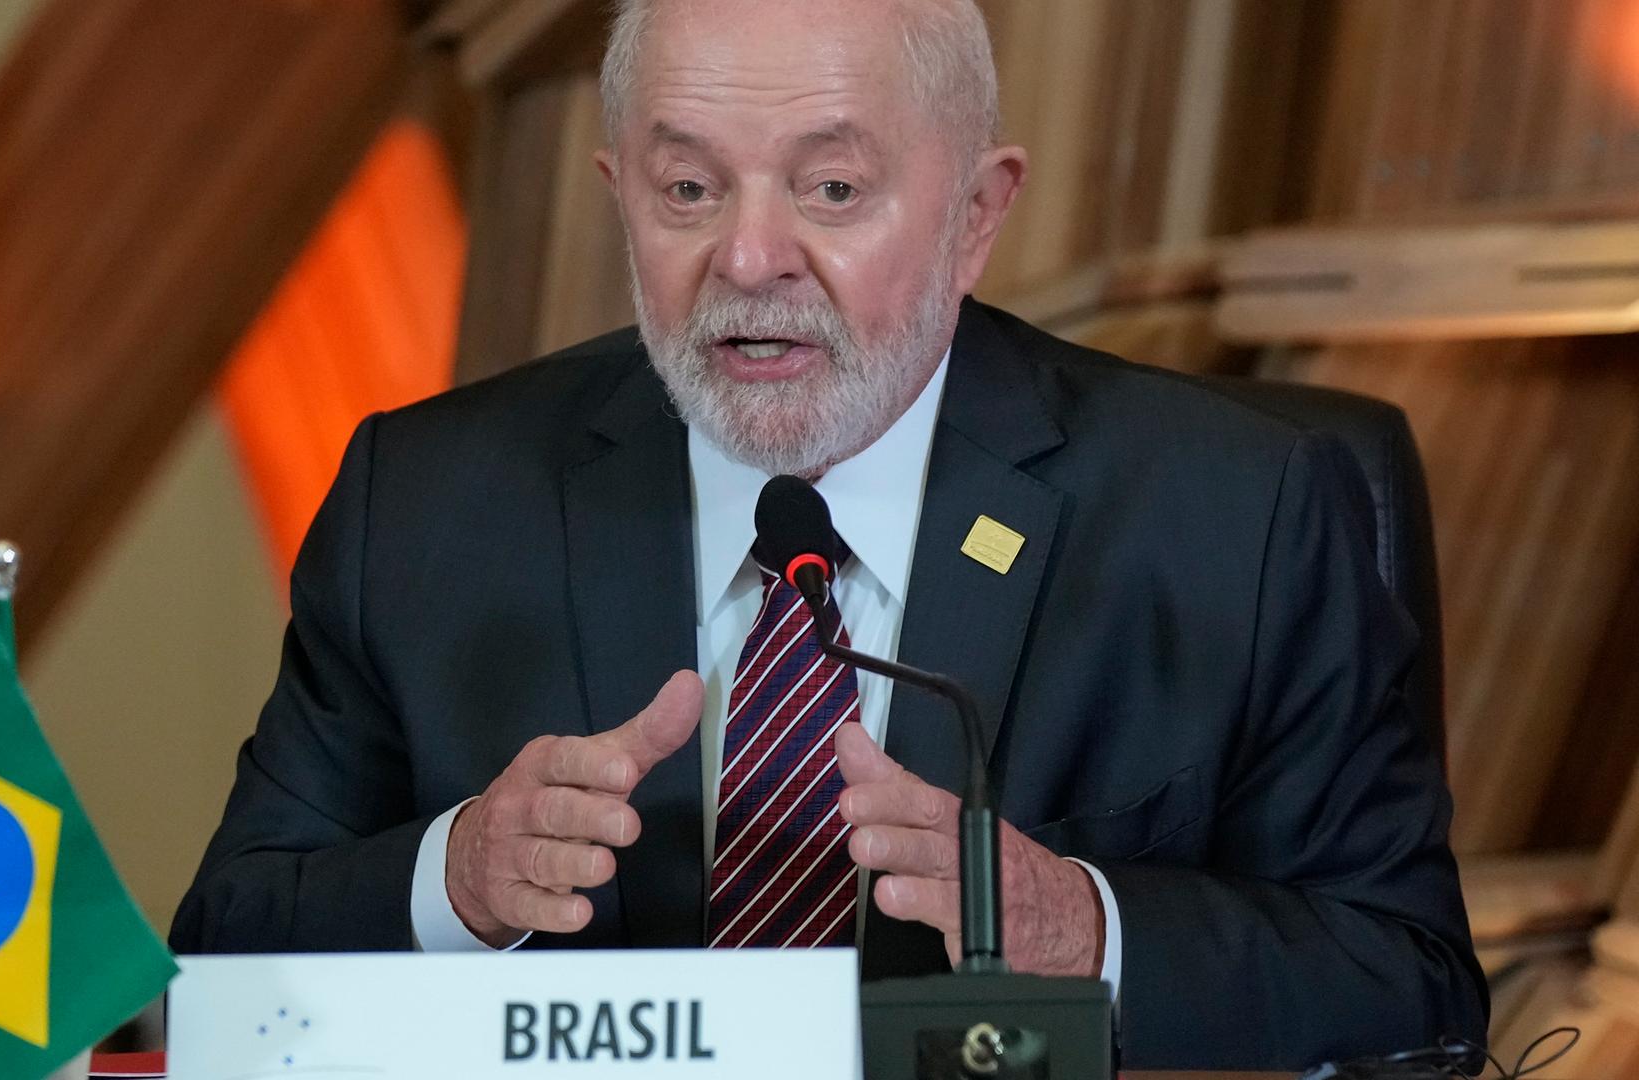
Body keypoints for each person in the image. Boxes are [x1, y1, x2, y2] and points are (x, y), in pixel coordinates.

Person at [172, 0, 1487, 1067]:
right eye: (688, 188)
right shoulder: (433, 497)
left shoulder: (1237, 510)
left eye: (835, 188)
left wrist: (1080, 925)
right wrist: (454, 880)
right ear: (616, 191)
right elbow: (220, 956)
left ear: (978, 214)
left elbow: (1406, 982)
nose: (749, 259)